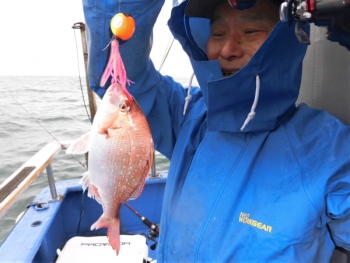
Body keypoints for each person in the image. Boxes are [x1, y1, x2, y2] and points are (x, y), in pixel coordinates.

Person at [82, 0, 350, 261]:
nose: (228, 49)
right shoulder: (187, 114)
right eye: (218, 33)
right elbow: (117, 75)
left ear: (288, 38)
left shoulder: (330, 150)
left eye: (251, 31)